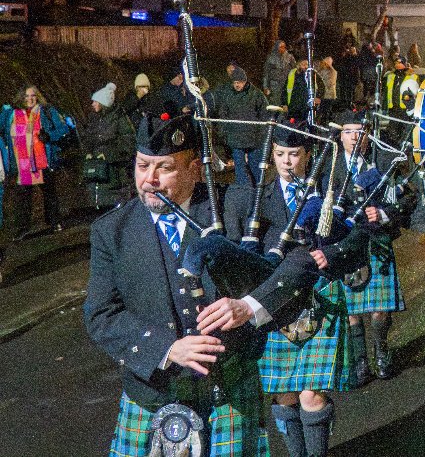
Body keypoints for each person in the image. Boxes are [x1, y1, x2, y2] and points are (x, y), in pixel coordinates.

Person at [81, 111, 301, 456]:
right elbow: (101, 315)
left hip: (228, 390)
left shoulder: (238, 207)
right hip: (151, 394)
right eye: (142, 166)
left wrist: (250, 306)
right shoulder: (112, 231)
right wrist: (166, 349)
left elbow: (298, 263)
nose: (149, 179)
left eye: (164, 167)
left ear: (194, 169)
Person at [223, 123, 347, 457]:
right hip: (273, 300)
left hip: (318, 296)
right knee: (285, 395)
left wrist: (332, 251)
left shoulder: (330, 193)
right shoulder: (258, 201)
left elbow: (353, 238)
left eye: (294, 154)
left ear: (308, 154)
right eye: (280, 154)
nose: (287, 161)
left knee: (311, 395)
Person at [327, 111, 408, 383]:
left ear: (368, 135)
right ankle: (360, 360)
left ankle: (381, 351)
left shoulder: (383, 163)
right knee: (351, 311)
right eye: (349, 132)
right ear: (341, 136)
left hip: (377, 242)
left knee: (379, 309)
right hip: (347, 243)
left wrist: (383, 214)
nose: (354, 137)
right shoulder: (330, 167)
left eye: (360, 132)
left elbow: (406, 200)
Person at [2, 85, 71, 238]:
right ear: (21, 98)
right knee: (24, 199)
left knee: (49, 194)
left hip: (42, 160)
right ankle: (23, 229)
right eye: (26, 96)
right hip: (23, 164)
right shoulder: (12, 115)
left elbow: (64, 130)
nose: (30, 99)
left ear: (37, 96)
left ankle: (54, 222)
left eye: (32, 95)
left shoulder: (46, 111)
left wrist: (49, 136)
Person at [210, 66, 271, 188]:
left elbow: (265, 115)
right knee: (240, 169)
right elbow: (223, 114)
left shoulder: (256, 94)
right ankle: (242, 191)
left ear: (245, 81)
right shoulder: (228, 95)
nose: (237, 85)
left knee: (256, 169)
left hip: (254, 139)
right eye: (235, 82)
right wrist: (224, 131)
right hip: (236, 138)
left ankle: (258, 191)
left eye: (239, 82)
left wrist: (264, 135)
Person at [78, 82, 136, 210]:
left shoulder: (119, 118)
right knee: (100, 204)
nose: (92, 104)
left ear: (103, 103)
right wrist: (88, 151)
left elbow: (128, 143)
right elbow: (87, 138)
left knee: (113, 204)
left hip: (114, 171)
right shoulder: (94, 119)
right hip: (97, 168)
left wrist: (109, 154)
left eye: (95, 101)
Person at [265, 40, 295, 106]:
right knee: (275, 104)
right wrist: (266, 87)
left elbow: (294, 70)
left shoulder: (290, 57)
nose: (282, 48)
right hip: (275, 85)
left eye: (284, 47)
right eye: (280, 47)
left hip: (286, 84)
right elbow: (266, 73)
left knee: (287, 104)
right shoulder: (271, 58)